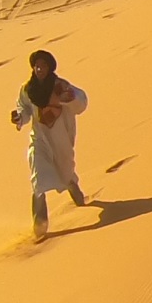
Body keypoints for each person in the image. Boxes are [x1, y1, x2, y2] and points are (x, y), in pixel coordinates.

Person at [11, 50, 89, 239]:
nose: (39, 69)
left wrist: (71, 99)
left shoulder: (60, 86)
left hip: (59, 137)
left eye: (43, 66)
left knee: (65, 170)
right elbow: (25, 109)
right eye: (36, 65)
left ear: (49, 67)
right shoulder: (28, 89)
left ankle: (75, 190)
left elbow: (81, 101)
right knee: (38, 178)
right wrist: (19, 117)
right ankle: (40, 226)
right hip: (39, 138)